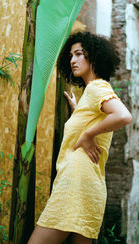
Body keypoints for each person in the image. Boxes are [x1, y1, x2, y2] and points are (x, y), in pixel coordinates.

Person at [28, 32, 132, 244]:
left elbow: (123, 116)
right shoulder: (91, 94)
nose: (72, 60)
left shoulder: (97, 88)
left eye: (78, 54)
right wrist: (79, 112)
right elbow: (98, 118)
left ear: (93, 57)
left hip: (75, 184)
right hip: (90, 185)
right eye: (70, 56)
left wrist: (87, 134)